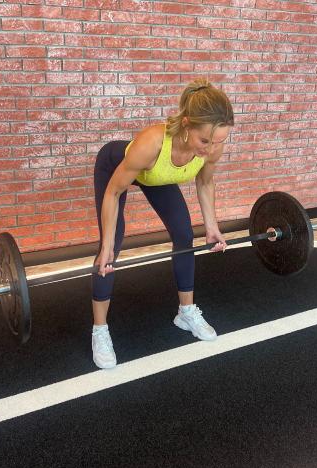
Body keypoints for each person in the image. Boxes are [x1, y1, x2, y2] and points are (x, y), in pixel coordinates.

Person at [90, 78, 234, 369]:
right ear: (186, 124)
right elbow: (114, 191)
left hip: (157, 176)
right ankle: (100, 329)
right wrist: (105, 244)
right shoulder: (152, 143)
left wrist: (212, 227)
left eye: (219, 141)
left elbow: (205, 182)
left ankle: (186, 312)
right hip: (119, 169)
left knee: (184, 234)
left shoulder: (213, 146)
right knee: (111, 247)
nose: (210, 149)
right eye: (204, 141)